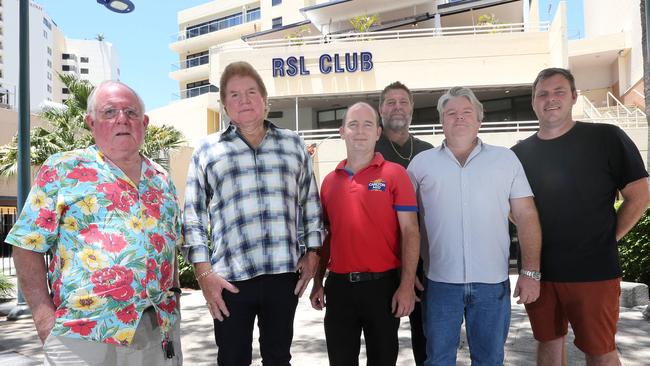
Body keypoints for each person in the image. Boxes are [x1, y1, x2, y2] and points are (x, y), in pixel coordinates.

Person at [6, 80, 183, 365]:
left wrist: (174, 312)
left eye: (131, 112)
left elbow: (171, 252)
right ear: (91, 122)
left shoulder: (161, 179)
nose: (122, 119)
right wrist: (44, 319)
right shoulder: (62, 169)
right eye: (110, 112)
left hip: (156, 331)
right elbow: (27, 245)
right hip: (82, 333)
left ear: (144, 122)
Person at [182, 61, 323, 366]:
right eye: (233, 95)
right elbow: (193, 215)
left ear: (264, 100)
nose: (243, 99)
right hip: (230, 279)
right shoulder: (207, 150)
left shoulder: (293, 145)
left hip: (282, 275)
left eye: (250, 92)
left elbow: (310, 203)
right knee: (232, 359)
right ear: (224, 105)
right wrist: (204, 273)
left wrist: (312, 253)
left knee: (278, 358)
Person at [512, 67, 650, 366]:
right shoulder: (518, 155)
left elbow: (639, 196)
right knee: (548, 343)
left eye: (559, 91)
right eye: (542, 94)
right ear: (534, 102)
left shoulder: (607, 138)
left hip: (595, 271)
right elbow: (514, 211)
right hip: (540, 274)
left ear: (574, 96)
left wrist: (608, 238)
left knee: (600, 350)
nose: (551, 99)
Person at [408, 86, 542, 365]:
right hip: (440, 283)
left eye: (467, 112)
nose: (459, 118)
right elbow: (407, 225)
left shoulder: (505, 159)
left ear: (479, 120)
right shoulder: (421, 165)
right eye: (451, 113)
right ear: (442, 122)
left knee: (490, 360)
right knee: (438, 360)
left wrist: (530, 272)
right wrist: (407, 274)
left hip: (492, 284)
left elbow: (527, 216)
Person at [309, 102, 420, 366]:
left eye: (368, 124)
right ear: (342, 131)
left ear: (378, 132)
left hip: (382, 288)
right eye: (353, 124)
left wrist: (406, 285)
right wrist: (317, 282)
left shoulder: (396, 175)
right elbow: (326, 236)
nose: (360, 131)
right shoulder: (329, 181)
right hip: (339, 288)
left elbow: (411, 231)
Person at [375, 81, 433, 366]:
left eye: (403, 101)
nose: (397, 106)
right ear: (380, 109)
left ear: (411, 108)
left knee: (427, 341)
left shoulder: (428, 152)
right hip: (382, 262)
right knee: (383, 343)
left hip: (424, 260)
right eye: (390, 101)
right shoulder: (368, 150)